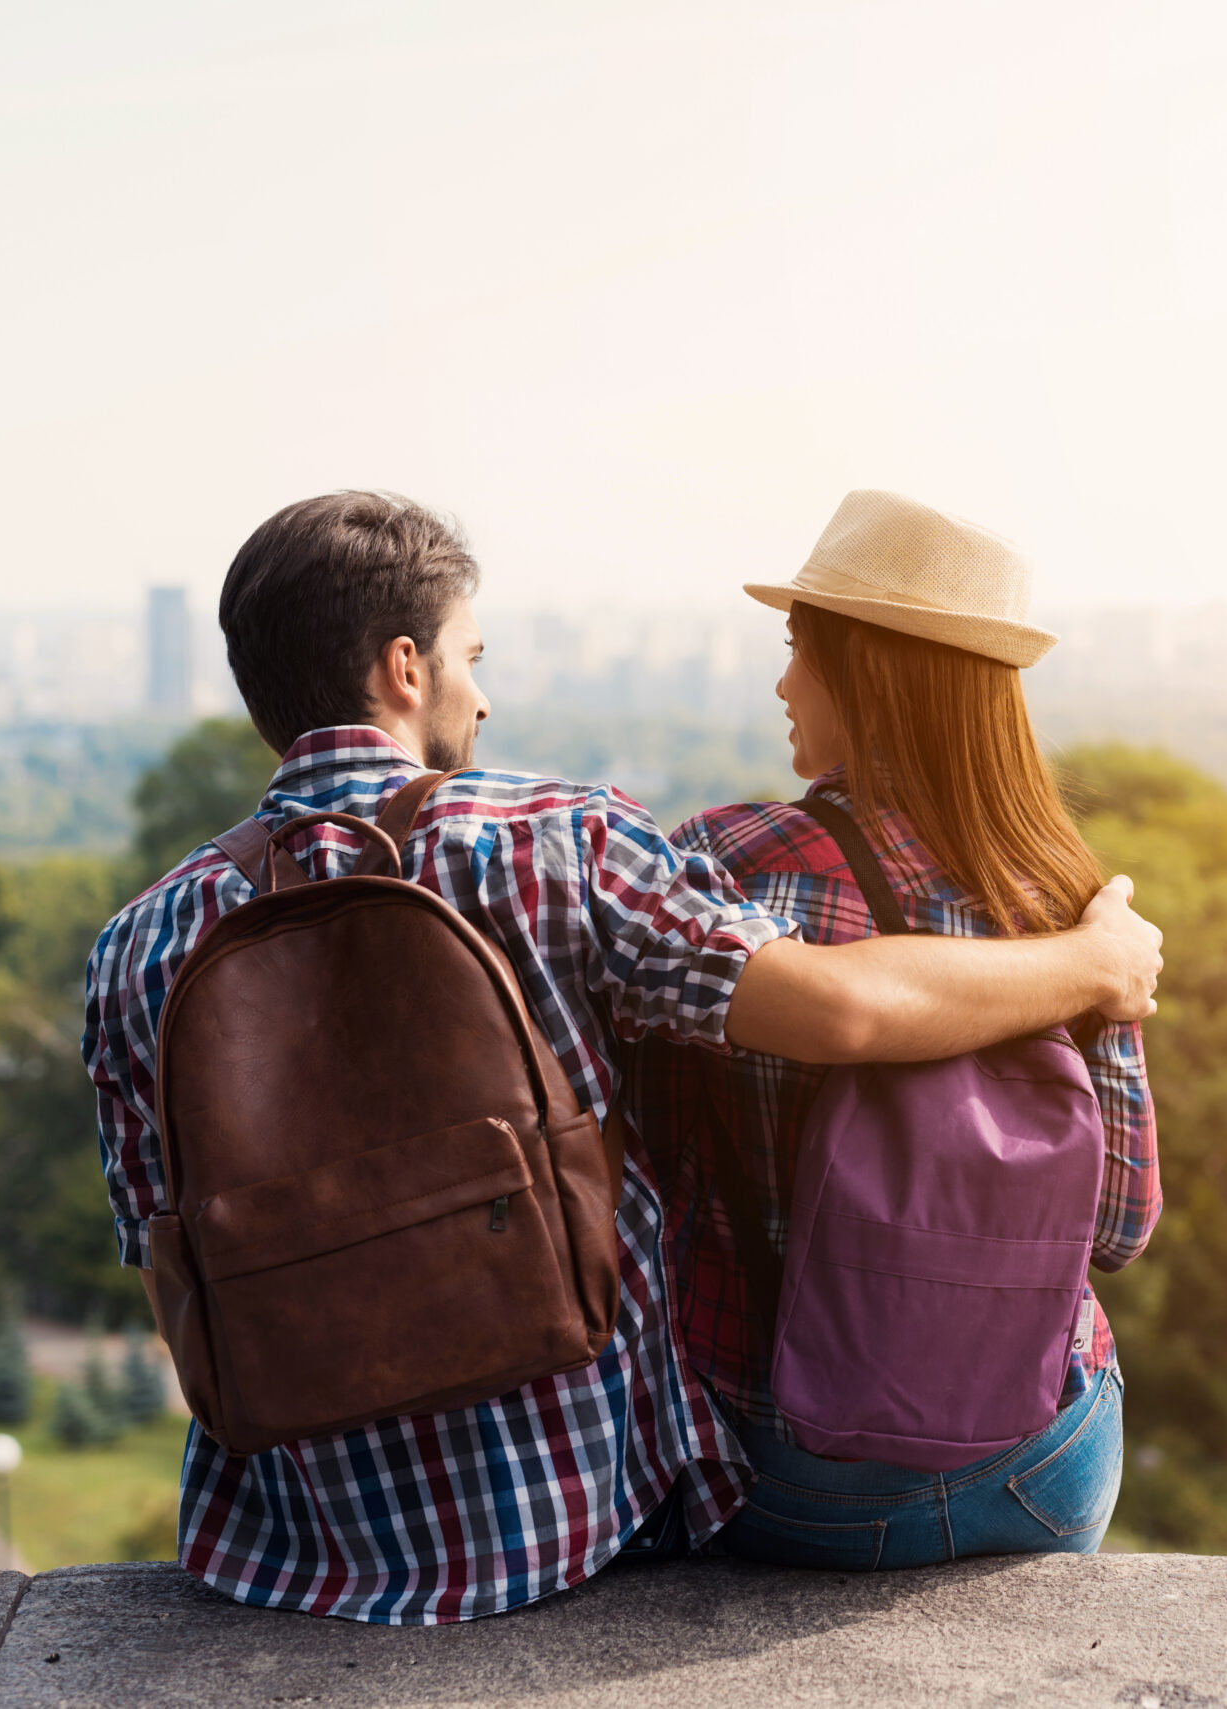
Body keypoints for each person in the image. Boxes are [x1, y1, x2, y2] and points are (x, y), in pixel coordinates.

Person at [81, 491, 1162, 1624]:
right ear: (406, 667)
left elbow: (170, 1258)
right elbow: (1086, 1200)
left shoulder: (137, 946)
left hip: (290, 1541)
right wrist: (1093, 964)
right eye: (471, 656)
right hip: (580, 1508)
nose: (483, 693)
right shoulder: (560, 841)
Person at [636, 490, 1162, 1569]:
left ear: (865, 669)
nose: (784, 681)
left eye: (798, 649)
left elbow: (640, 1170)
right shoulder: (1064, 897)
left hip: (783, 1469)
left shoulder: (728, 862)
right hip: (1038, 1462)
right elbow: (1117, 1224)